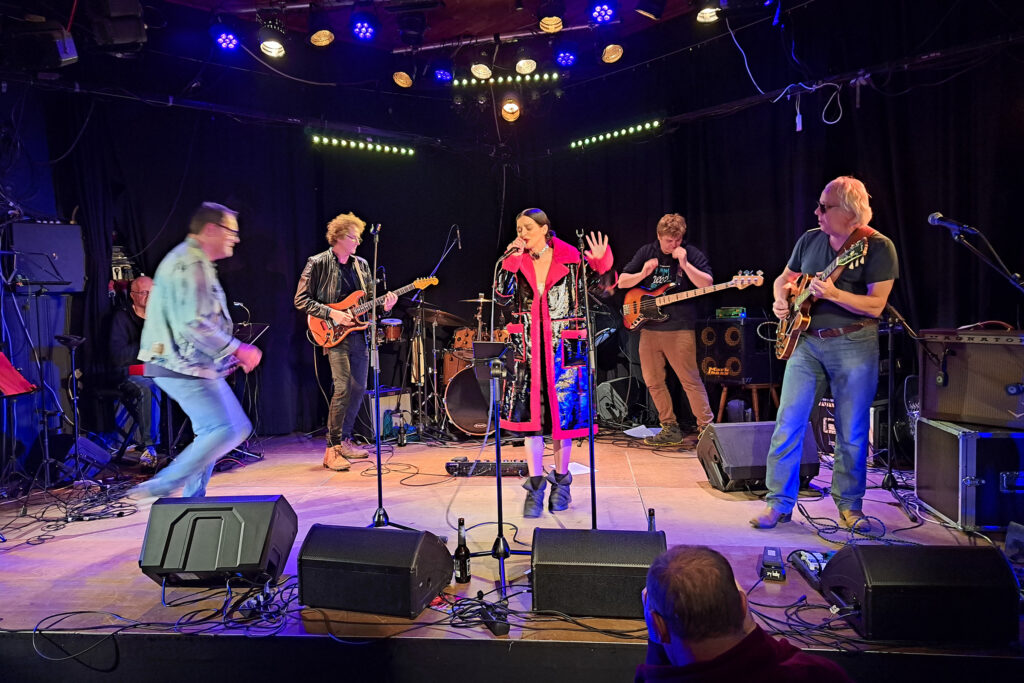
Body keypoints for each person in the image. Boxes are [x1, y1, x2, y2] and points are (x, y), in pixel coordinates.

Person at [751, 176, 897, 530]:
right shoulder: (810, 239)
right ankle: (778, 503)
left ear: (849, 212)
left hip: (854, 344)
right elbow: (783, 279)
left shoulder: (877, 246)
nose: (816, 212)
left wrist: (834, 294)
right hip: (806, 343)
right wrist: (781, 299)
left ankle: (850, 507)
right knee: (788, 423)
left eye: (824, 207)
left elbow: (876, 305)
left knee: (852, 431)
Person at [129, 202, 262, 499]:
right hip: (177, 363)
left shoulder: (191, 260)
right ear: (211, 229)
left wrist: (223, 357)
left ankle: (192, 500)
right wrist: (237, 349)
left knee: (213, 431)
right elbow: (193, 323)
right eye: (231, 232)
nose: (236, 238)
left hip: (184, 362)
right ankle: (162, 485)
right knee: (229, 428)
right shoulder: (191, 264)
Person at [495, 208, 613, 518]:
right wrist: (509, 262)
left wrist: (601, 264)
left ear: (545, 228)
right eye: (519, 228)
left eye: (528, 227)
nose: (522, 233)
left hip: (564, 345)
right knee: (530, 422)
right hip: (528, 346)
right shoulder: (515, 260)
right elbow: (501, 298)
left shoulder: (571, 258)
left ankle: (562, 482)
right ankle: (535, 486)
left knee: (565, 420)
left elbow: (601, 290)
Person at [637, 545, 854, 682]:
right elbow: (781, 659)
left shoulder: (653, 676)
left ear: (658, 625)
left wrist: (656, 646)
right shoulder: (819, 674)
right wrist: (752, 629)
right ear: (743, 605)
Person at [294, 212, 397, 472]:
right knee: (342, 388)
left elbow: (369, 303)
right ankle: (332, 449)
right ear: (338, 237)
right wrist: (332, 313)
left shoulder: (361, 265)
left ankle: (345, 440)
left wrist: (384, 306)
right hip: (332, 333)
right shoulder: (317, 263)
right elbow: (301, 300)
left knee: (358, 388)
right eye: (353, 237)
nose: (358, 242)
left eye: (359, 237)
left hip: (358, 334)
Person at [618, 214, 715, 446]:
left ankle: (707, 429)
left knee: (689, 380)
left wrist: (686, 265)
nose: (674, 245)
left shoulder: (690, 253)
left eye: (678, 240)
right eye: (669, 240)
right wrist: (643, 273)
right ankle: (669, 427)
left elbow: (707, 284)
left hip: (679, 328)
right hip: (649, 329)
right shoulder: (647, 252)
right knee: (653, 381)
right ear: (659, 236)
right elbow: (622, 281)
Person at [109, 275, 161, 468]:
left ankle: (200, 441)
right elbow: (118, 356)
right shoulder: (121, 318)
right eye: (144, 293)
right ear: (132, 295)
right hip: (128, 372)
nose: (150, 297)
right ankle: (149, 447)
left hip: (157, 368)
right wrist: (145, 344)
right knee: (150, 387)